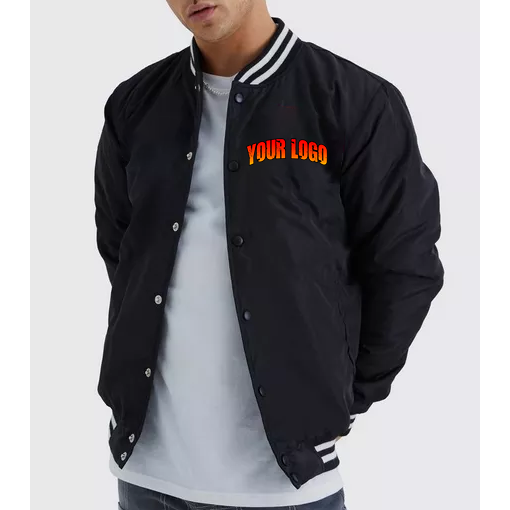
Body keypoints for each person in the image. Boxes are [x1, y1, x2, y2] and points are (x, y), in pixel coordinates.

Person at [93, 0, 445, 509]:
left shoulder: (354, 101)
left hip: (285, 486)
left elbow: (406, 266)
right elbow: (123, 252)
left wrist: (344, 396)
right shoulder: (134, 105)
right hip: (147, 475)